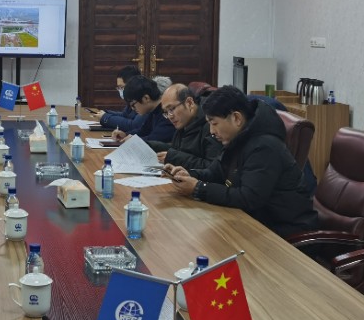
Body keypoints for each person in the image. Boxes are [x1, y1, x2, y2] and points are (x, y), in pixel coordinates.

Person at [165, 85, 318, 237]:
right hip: (255, 221)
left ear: (236, 118)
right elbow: (215, 172)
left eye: (214, 123)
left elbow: (248, 198)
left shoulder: (265, 146)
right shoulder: (237, 137)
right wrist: (189, 175)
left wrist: (198, 188)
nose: (211, 131)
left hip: (283, 231)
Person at [147, 83, 223, 168]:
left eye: (171, 109)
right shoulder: (184, 122)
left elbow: (212, 167)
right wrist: (150, 145)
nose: (170, 116)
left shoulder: (211, 126)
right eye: (166, 112)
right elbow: (178, 149)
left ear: (189, 103)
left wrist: (174, 158)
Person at [112, 75, 176, 144]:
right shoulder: (154, 111)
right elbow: (143, 131)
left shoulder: (167, 112)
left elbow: (156, 139)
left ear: (146, 98)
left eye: (133, 105)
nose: (133, 109)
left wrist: (134, 140)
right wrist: (125, 134)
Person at [93, 65, 145, 133]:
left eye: (121, 87)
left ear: (132, 84)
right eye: (118, 88)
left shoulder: (144, 99)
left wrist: (106, 117)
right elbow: (125, 115)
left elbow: (132, 125)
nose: (120, 90)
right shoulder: (132, 99)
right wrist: (106, 113)